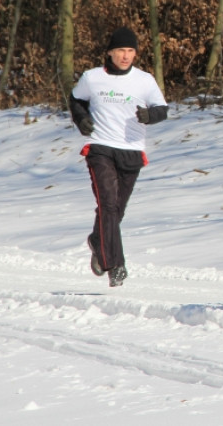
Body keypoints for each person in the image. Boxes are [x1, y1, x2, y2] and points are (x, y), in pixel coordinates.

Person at [69, 27, 168, 287]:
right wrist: (81, 119)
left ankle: (97, 241)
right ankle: (115, 265)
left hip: (132, 150)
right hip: (100, 147)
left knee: (117, 210)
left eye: (131, 51)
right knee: (109, 205)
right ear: (110, 52)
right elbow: (75, 99)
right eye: (121, 50)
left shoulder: (144, 80)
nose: (126, 56)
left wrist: (149, 116)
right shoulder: (92, 78)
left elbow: (162, 109)